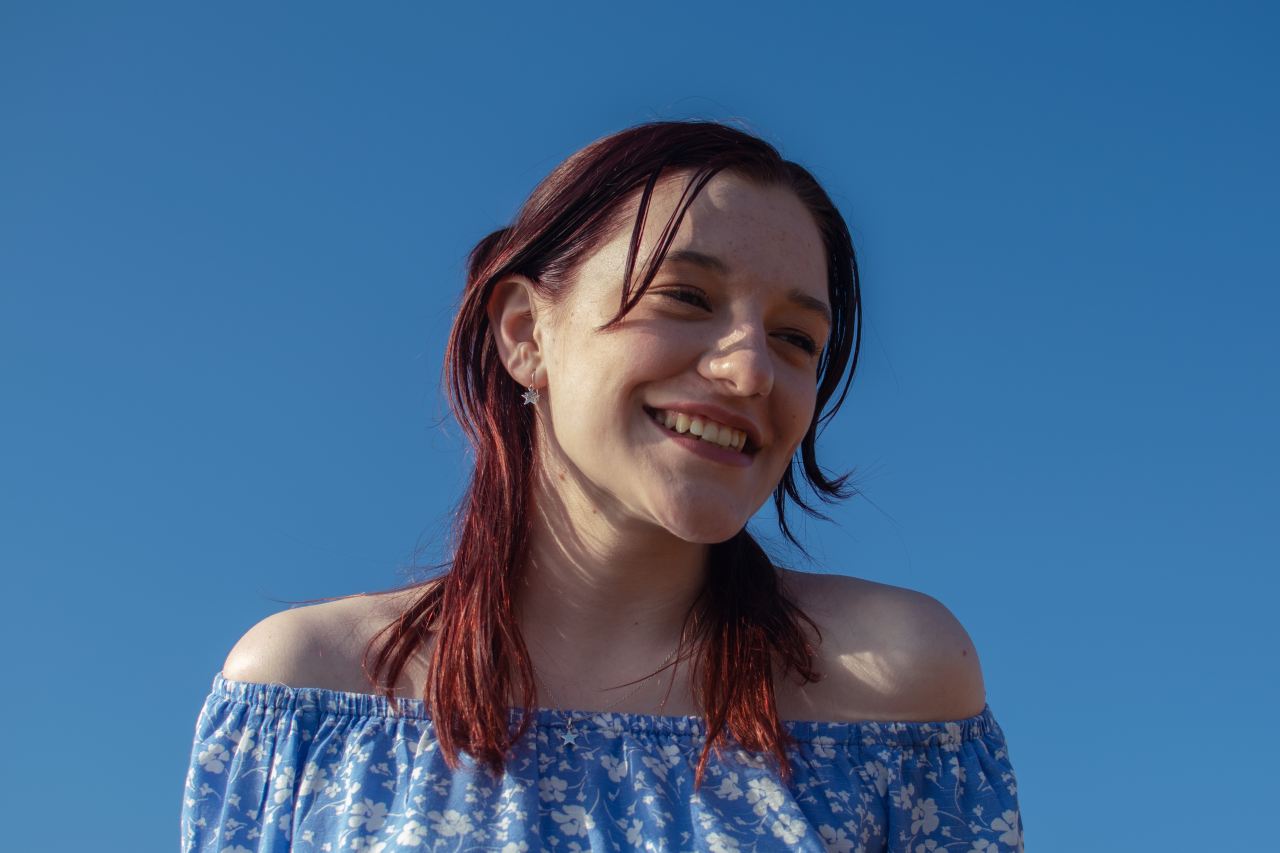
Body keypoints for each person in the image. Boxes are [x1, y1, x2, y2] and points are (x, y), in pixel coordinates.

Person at [180, 120, 1024, 852]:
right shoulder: (304, 697)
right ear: (524, 334)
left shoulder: (899, 693)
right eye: (686, 296)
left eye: (797, 338)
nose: (749, 369)